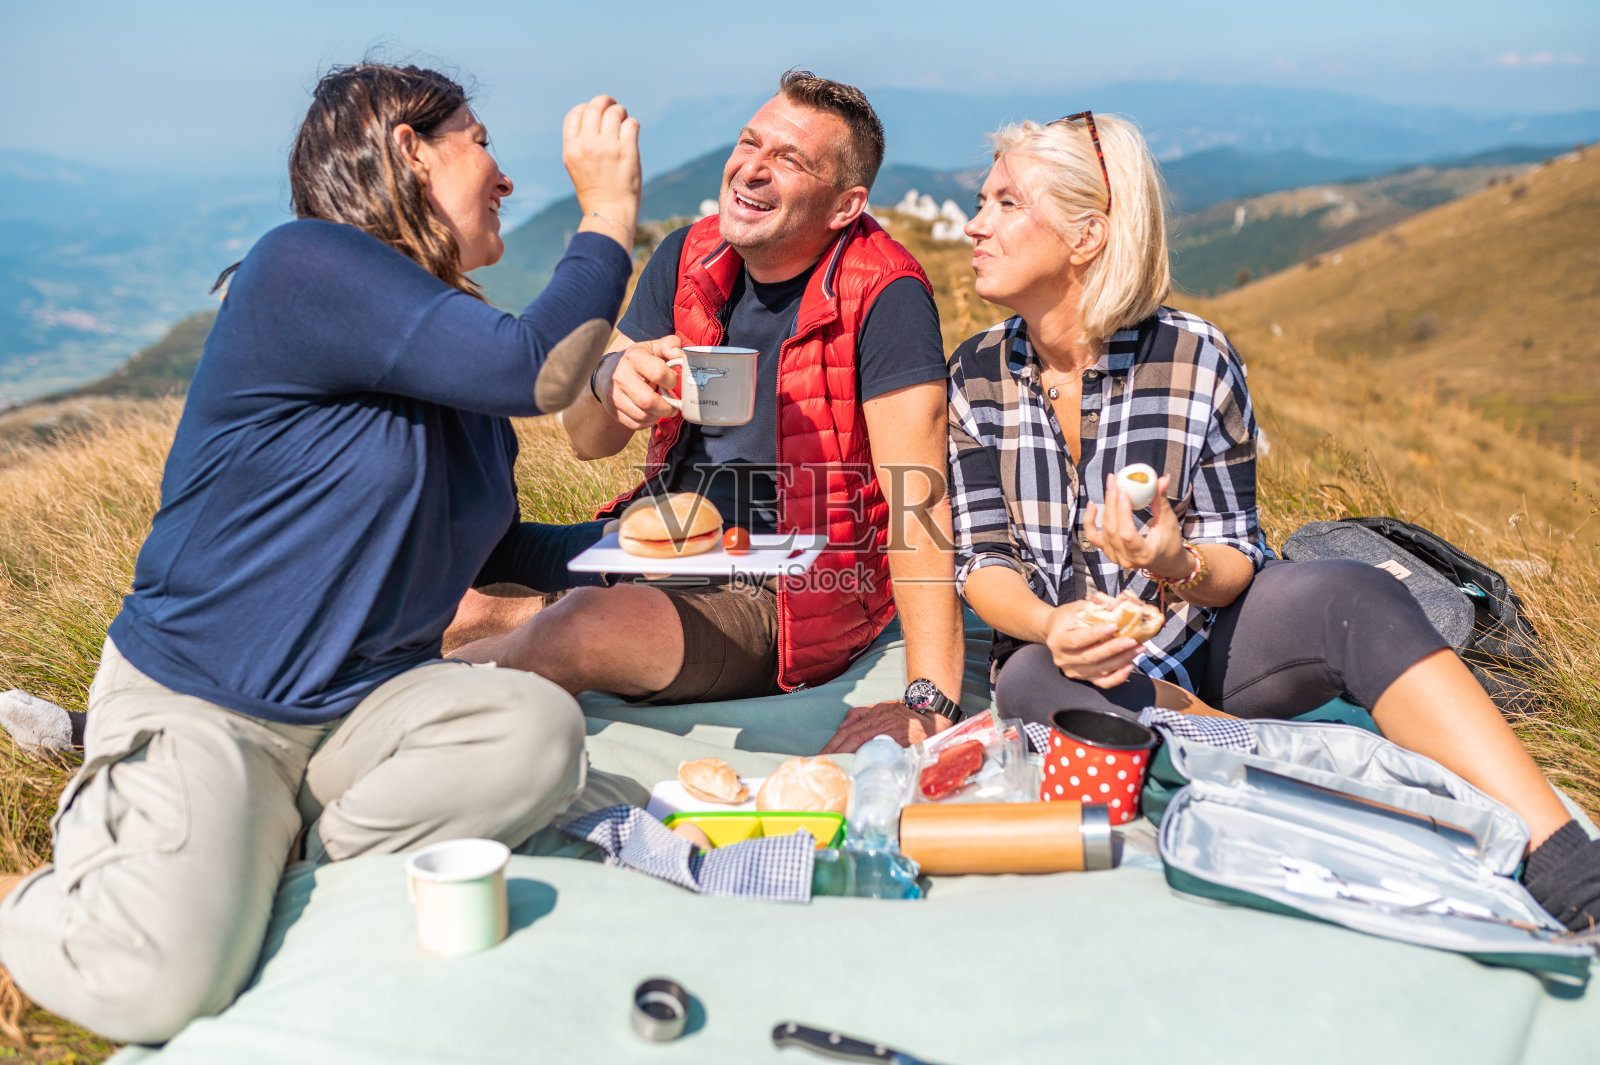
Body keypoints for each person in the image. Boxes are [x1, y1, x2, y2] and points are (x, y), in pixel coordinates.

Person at [0, 64, 643, 1043]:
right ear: (408, 151)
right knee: (160, 988)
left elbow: (498, 548)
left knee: (537, 731)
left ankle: (262, 862)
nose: (507, 176)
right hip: (210, 705)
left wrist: (643, 545)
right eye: (480, 143)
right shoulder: (302, 264)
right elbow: (536, 368)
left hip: (361, 714)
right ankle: (45, 893)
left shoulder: (446, 358)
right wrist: (608, 208)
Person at [946, 111, 1600, 929]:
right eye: (984, 200)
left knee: (1353, 594)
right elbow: (983, 563)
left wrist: (1173, 558)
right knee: (1030, 683)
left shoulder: (1196, 357)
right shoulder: (976, 373)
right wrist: (1054, 623)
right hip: (1069, 666)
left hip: (1205, 639)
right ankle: (1317, 782)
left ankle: (1564, 855)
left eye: (1006, 203)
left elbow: (1235, 562)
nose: (975, 224)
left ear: (1088, 236)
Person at [452, 71, 966, 754]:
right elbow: (585, 442)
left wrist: (929, 699)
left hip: (788, 590)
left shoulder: (886, 293)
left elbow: (917, 502)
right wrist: (609, 384)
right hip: (663, 543)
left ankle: (395, 719)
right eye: (749, 143)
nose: (752, 168)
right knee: (452, 582)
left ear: (844, 207)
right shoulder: (688, 256)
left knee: (579, 628)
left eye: (789, 159)